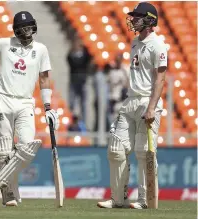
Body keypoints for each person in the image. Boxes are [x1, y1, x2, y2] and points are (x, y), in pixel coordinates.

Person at [0, 11, 59, 207]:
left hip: (26, 102)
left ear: (34, 27)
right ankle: (9, 192)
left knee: (27, 147)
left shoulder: (41, 49)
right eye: (21, 29)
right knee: (3, 149)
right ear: (16, 31)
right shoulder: (5, 43)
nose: (26, 32)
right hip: (3, 98)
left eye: (28, 27)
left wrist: (47, 107)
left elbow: (44, 79)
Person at [97, 2, 167, 209]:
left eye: (137, 17)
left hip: (147, 101)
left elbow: (159, 79)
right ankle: (118, 198)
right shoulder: (135, 42)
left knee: (144, 153)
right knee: (116, 149)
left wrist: (152, 107)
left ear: (149, 20)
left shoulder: (158, 45)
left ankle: (146, 200)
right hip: (130, 101)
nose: (133, 20)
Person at [67, 38, 92, 125]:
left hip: (83, 80)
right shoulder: (71, 55)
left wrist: (84, 47)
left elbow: (88, 58)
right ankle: (72, 122)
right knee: (72, 102)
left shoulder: (84, 54)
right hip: (74, 80)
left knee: (83, 103)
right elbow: (71, 62)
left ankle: (84, 123)